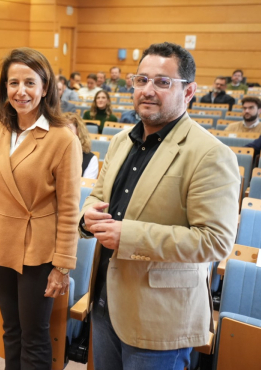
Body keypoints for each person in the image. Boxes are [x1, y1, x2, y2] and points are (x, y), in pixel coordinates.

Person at [80, 42, 239, 369]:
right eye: (141, 80)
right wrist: (86, 218)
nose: (147, 90)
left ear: (190, 90)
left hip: (159, 316)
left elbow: (215, 242)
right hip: (104, 299)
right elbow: (98, 198)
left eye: (162, 82)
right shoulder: (121, 141)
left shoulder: (211, 154)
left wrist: (130, 236)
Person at [0, 47, 82, 369]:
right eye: (13, 83)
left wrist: (62, 266)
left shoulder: (63, 138)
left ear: (45, 87)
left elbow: (69, 208)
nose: (21, 91)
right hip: (1, 244)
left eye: (30, 83)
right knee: (10, 331)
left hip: (38, 251)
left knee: (34, 336)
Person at [64, 112, 99, 179]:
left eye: (68, 128)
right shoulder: (52, 154)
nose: (63, 132)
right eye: (61, 128)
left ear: (79, 132)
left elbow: (84, 187)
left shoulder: (90, 159)